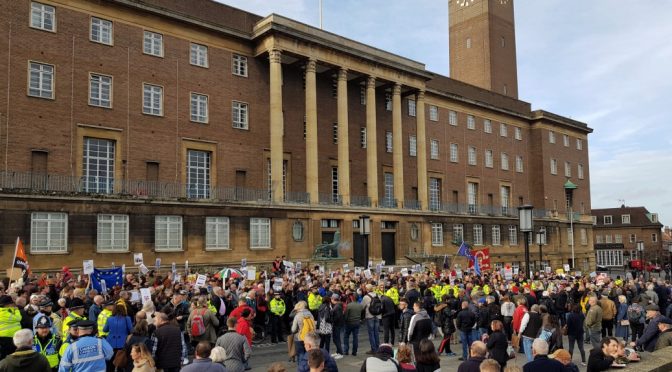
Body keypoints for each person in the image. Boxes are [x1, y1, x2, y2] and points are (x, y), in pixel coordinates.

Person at [0, 295, 22, 360]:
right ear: (7, 304)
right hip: (9, 339)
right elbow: (18, 318)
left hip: (5, 338)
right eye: (11, 303)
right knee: (11, 357)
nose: (12, 305)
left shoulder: (6, 311)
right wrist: (17, 310)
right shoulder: (5, 312)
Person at [361, 284, 381, 354]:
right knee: (376, 333)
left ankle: (373, 349)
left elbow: (362, 307)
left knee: (371, 333)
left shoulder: (366, 297)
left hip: (370, 316)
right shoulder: (378, 295)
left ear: (367, 289)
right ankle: (378, 348)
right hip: (378, 315)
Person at [329, 294, 344, 359]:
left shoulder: (337, 306)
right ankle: (338, 351)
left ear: (333, 299)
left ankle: (340, 353)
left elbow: (337, 317)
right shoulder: (337, 305)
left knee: (337, 339)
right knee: (335, 339)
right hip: (337, 324)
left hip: (337, 325)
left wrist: (332, 320)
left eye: (331, 299)